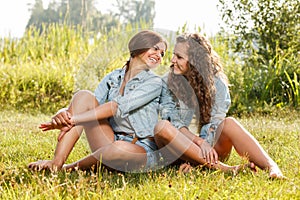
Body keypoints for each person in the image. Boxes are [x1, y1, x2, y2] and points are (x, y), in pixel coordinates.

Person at [28, 30, 168, 172]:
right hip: (111, 139)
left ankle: (68, 168)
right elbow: (86, 107)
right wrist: (63, 114)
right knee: (83, 95)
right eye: (155, 49)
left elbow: (117, 107)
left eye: (162, 54)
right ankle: (56, 163)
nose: (159, 56)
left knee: (119, 148)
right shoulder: (113, 78)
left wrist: (73, 119)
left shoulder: (154, 82)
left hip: (142, 147)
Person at [154, 33, 285, 179]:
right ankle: (226, 169)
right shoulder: (167, 81)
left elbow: (214, 123)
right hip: (177, 151)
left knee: (229, 123)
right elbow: (174, 123)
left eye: (179, 57)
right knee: (163, 127)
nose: (172, 60)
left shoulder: (217, 83)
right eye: (174, 55)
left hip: (211, 150)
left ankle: (273, 168)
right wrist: (199, 142)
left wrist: (204, 147)